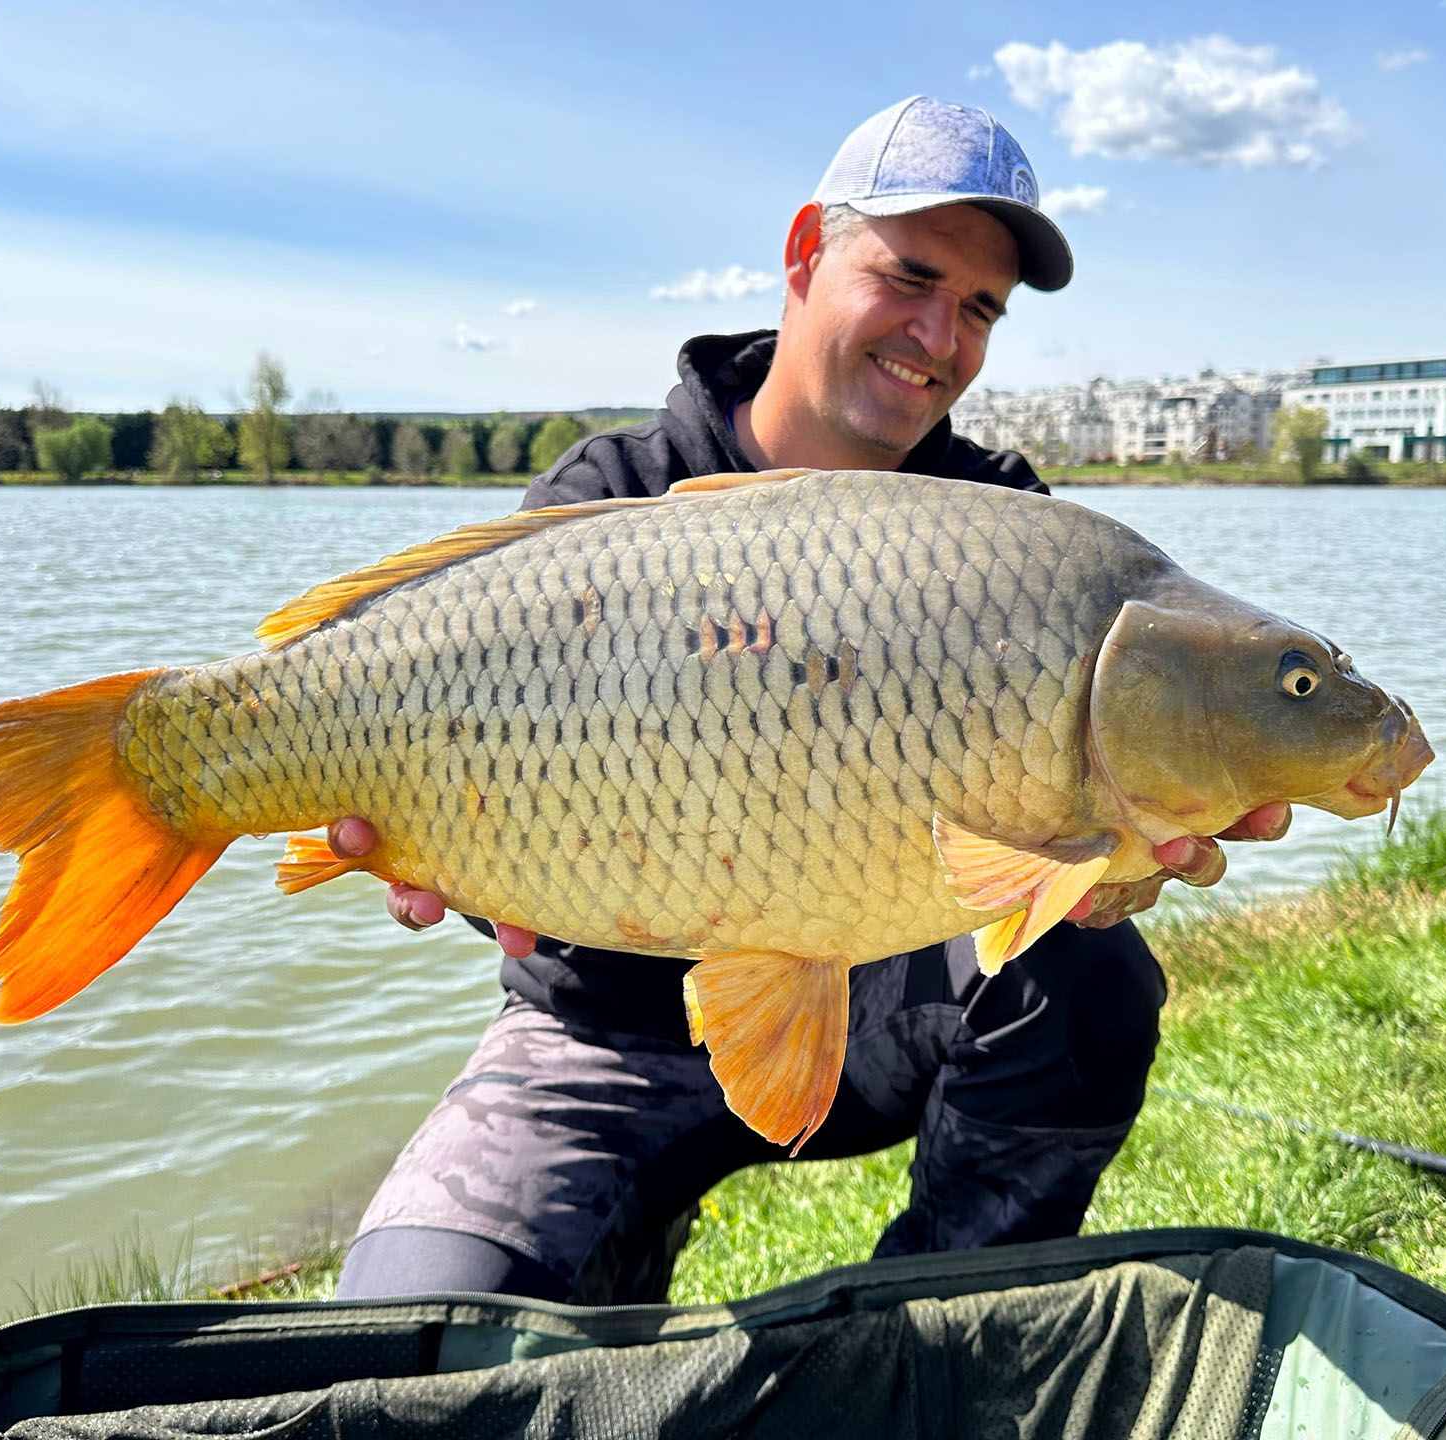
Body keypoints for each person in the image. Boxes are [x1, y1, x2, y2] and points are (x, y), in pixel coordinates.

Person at [329, 96, 1290, 1305]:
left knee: (1088, 981)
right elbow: (468, 811)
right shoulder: (614, 493)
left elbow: (1040, 869)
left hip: (876, 1003)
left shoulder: (1007, 529)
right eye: (911, 275)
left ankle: (938, 1326)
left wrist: (1107, 867)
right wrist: (445, 862)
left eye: (982, 309)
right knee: (410, 1329)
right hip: (600, 1029)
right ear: (804, 252)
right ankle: (602, 1272)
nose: (940, 335)